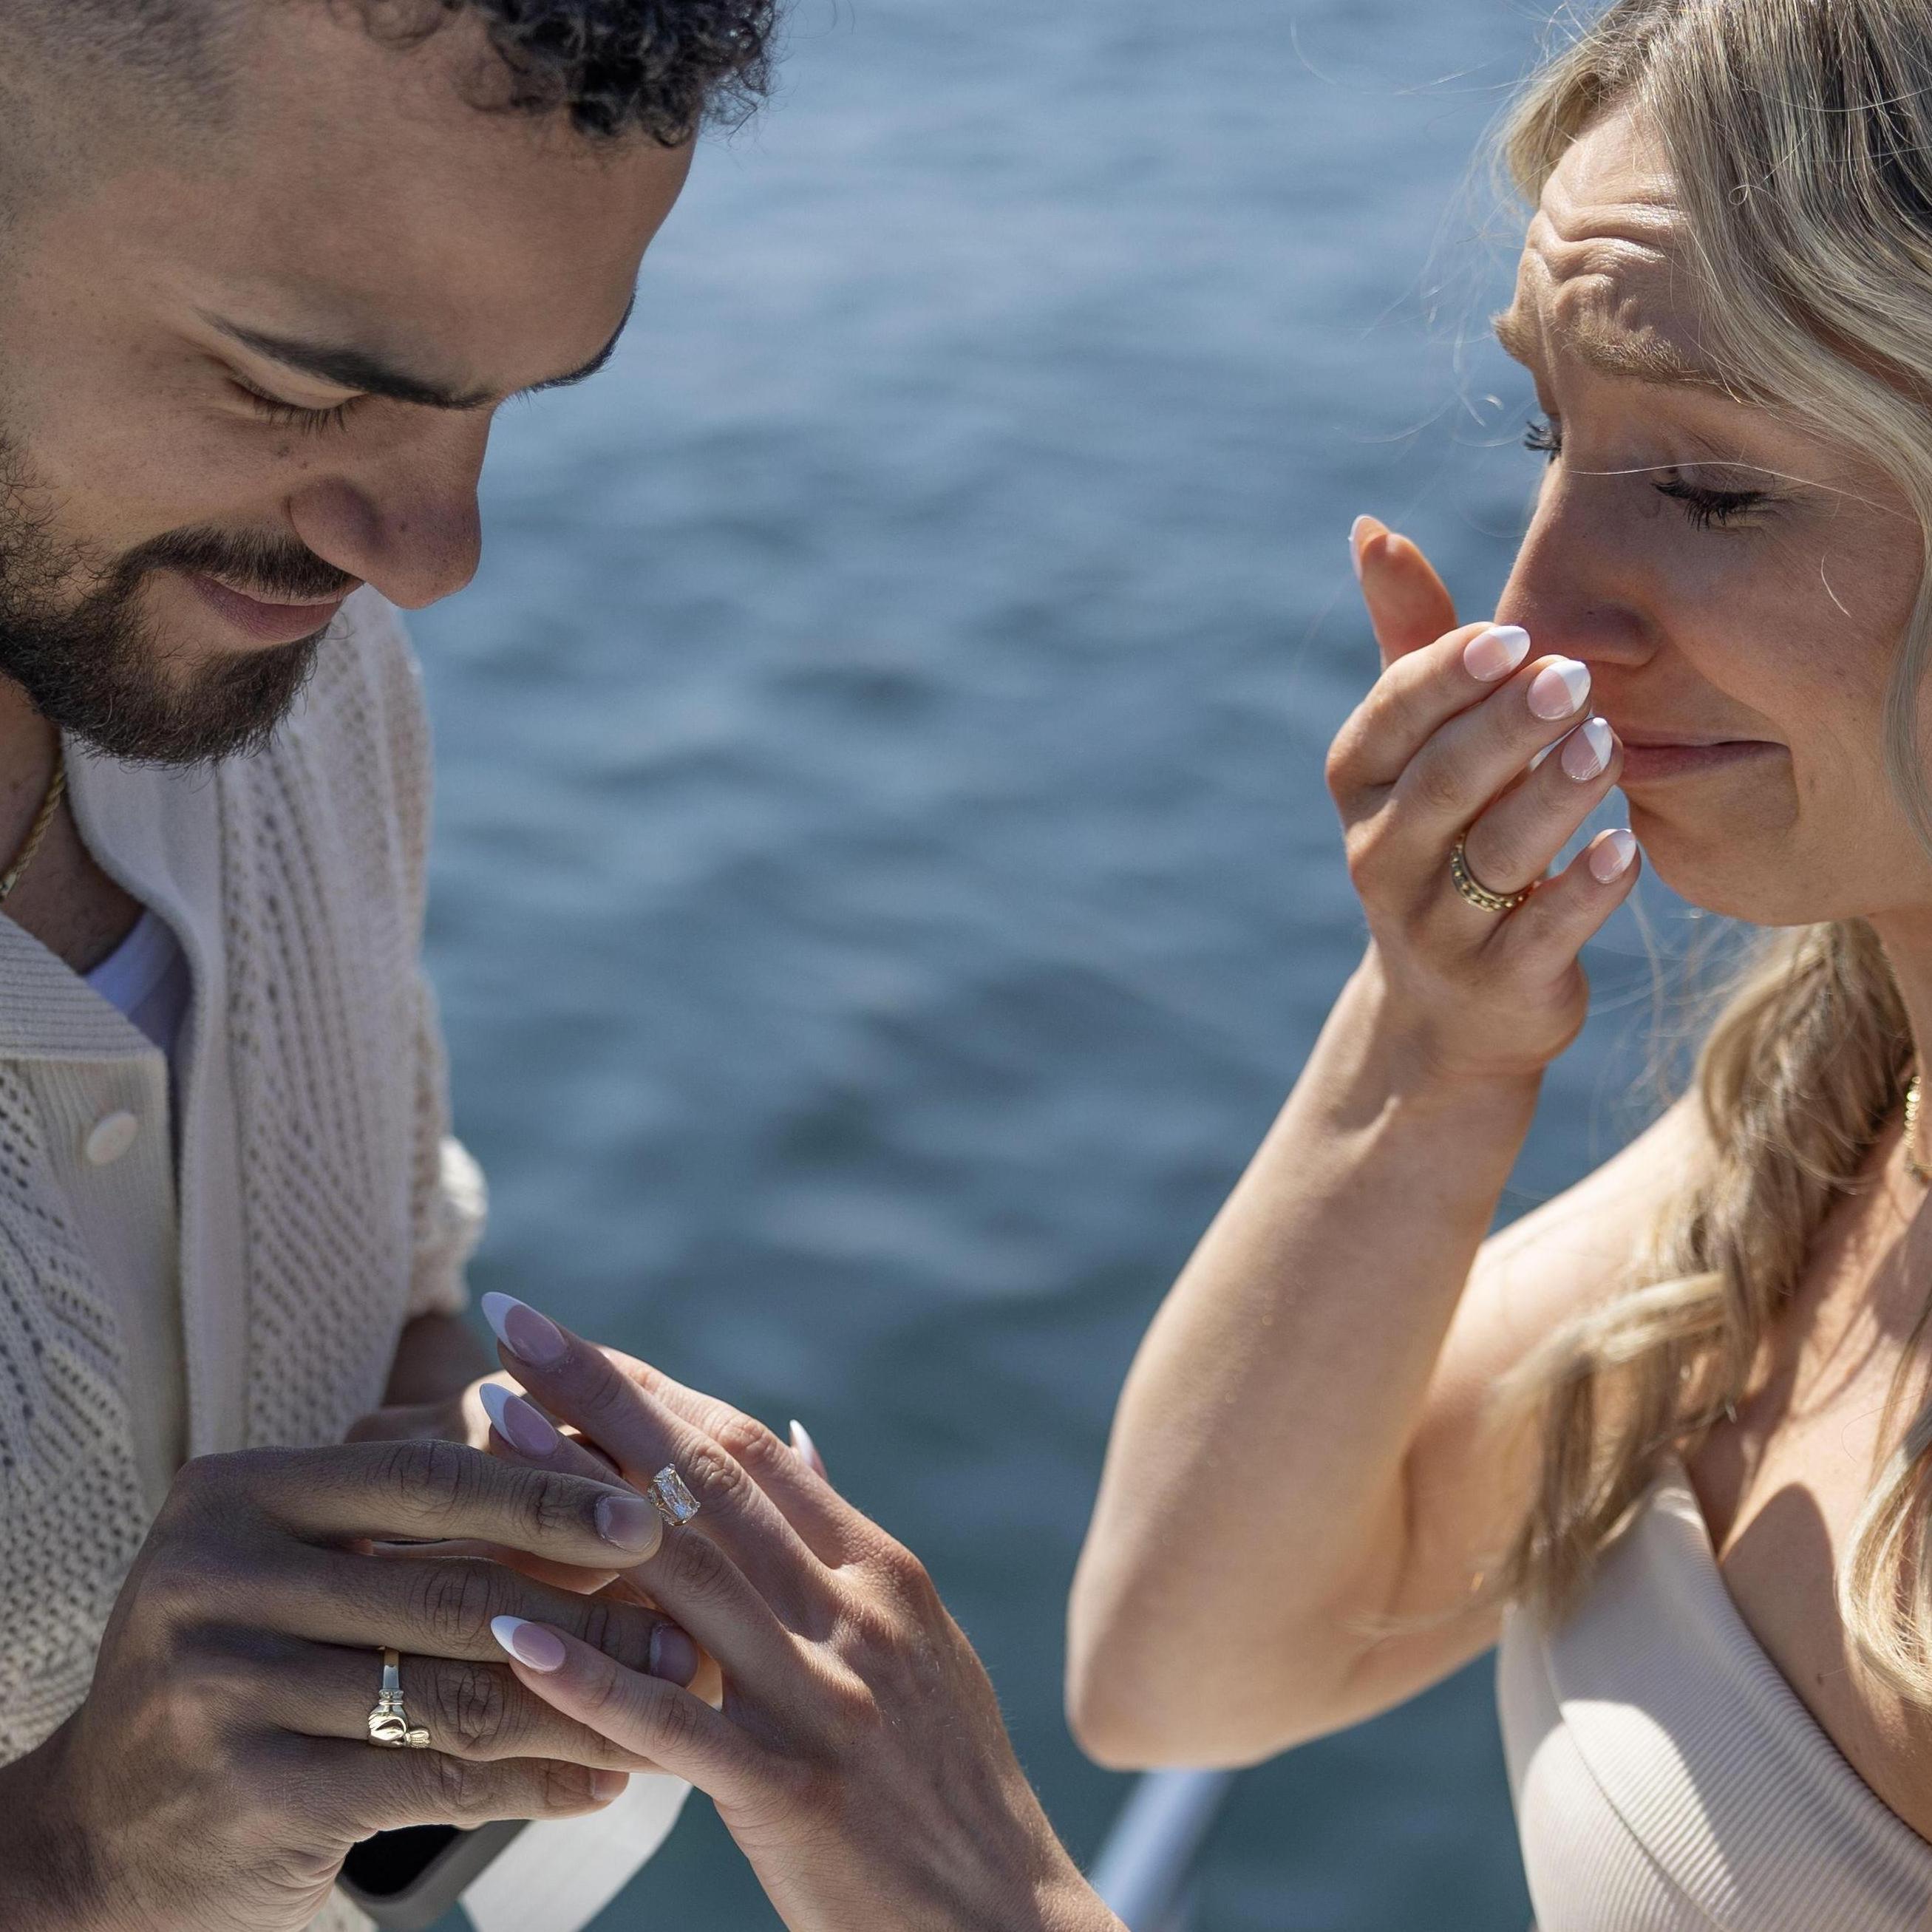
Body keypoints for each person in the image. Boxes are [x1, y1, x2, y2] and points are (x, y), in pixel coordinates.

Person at [1068, 0, 1932, 1924]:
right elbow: (1187, 1665)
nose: (1532, 610)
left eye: (1711, 488)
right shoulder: (1844, 1112)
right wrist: (1436, 1036)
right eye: (1553, 433)